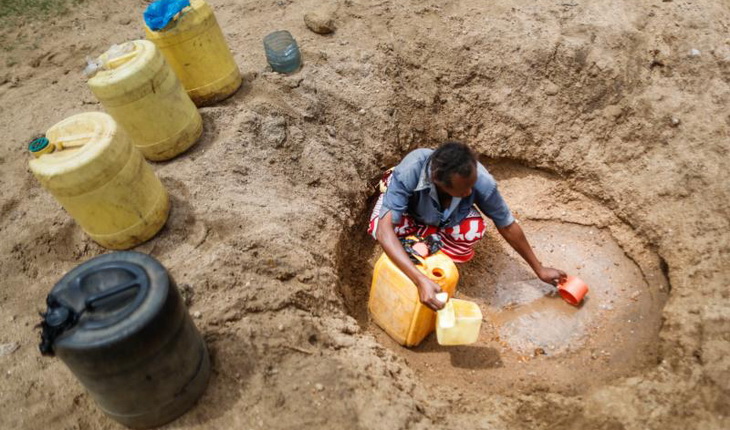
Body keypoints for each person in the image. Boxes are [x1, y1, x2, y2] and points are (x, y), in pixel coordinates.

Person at [368, 142, 566, 311]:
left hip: (444, 221)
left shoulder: (480, 180)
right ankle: (416, 247)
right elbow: (385, 231)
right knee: (380, 227)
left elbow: (506, 224)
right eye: (463, 189)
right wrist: (419, 279)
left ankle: (426, 243)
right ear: (437, 179)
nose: (469, 192)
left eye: (471, 186)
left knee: (473, 230)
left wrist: (539, 269)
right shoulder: (412, 168)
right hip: (409, 213)